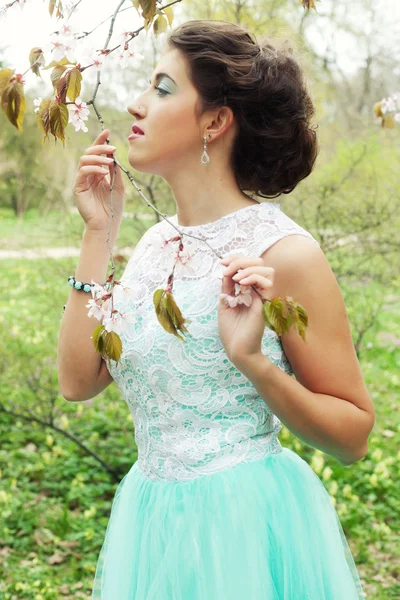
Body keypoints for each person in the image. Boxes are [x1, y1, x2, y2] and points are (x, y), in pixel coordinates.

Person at [57, 19, 375, 599]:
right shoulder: (157, 244)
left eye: (161, 87)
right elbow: (79, 380)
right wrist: (98, 232)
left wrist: (253, 360)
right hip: (151, 523)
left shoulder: (288, 255)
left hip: (245, 527)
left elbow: (353, 438)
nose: (135, 103)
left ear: (215, 121)